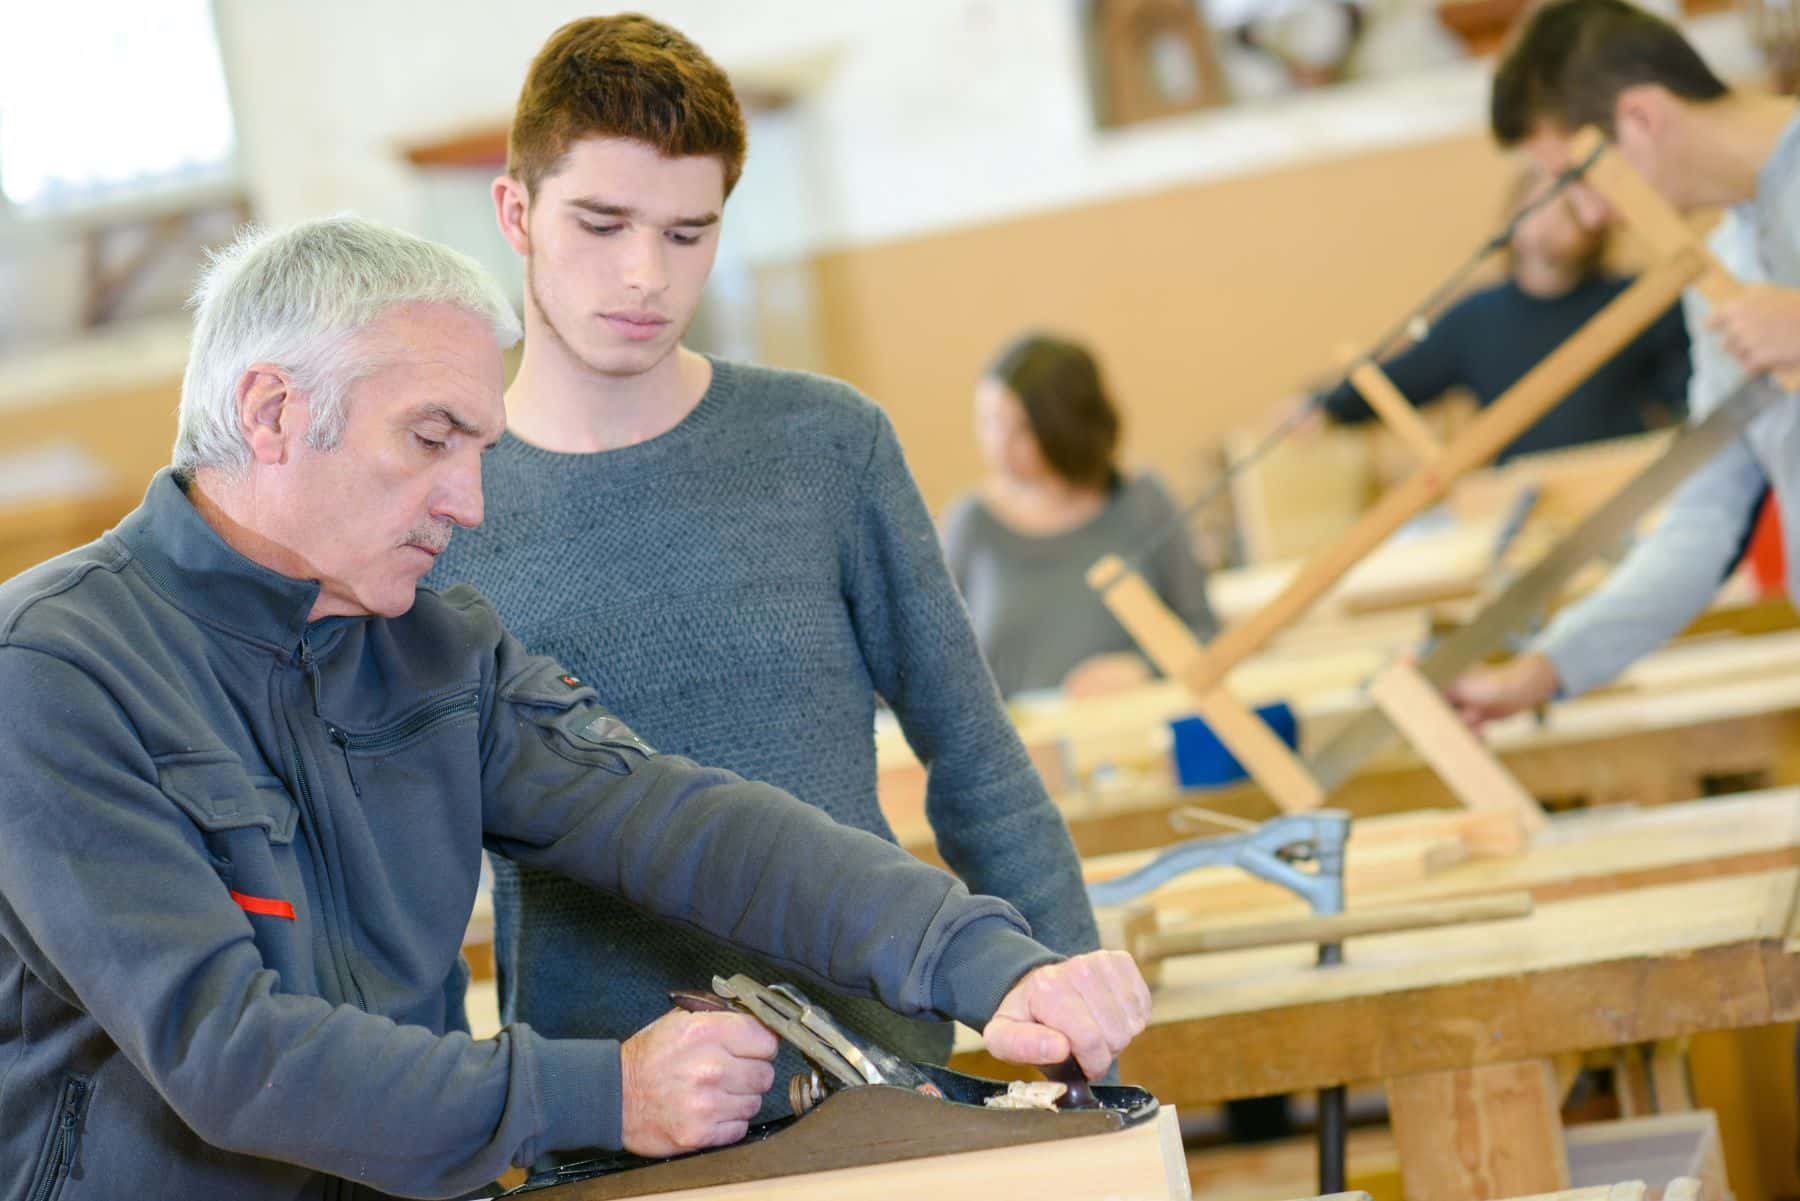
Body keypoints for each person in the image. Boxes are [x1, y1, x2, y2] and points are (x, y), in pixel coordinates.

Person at [0, 216, 1150, 1201]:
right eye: (433, 438)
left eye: (483, 445)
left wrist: (985, 960)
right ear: (271, 412)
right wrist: (610, 1091)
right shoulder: (52, 672)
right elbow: (229, 1051)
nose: (471, 500)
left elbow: (678, 821)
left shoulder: (435, 649)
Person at [428, 12, 1101, 1109]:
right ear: (516, 212)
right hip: (611, 1113)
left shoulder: (829, 445)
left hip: (878, 1085)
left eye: (688, 233)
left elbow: (974, 757)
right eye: (601, 223)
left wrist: (1073, 1007)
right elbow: (398, 861)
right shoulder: (446, 505)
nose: (645, 274)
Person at [1442, 0, 1800, 725]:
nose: (1594, 216)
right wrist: (1548, 668)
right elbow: (1707, 512)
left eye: (1581, 179)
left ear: (1639, 117)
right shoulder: (1723, 273)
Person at [1317, 163, 1690, 462]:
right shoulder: (1476, 317)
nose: (1553, 220)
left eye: (1571, 209)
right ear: (1513, 216)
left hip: (1623, 481)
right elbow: (1403, 380)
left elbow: (1689, 386)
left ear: (1597, 221)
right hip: (1519, 497)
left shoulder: (1639, 301)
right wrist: (1323, 407)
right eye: (1540, 204)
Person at [940, 331, 1219, 699]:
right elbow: (929, 668)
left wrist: (1143, 670)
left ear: (1064, 423)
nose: (1000, 446)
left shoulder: (1144, 502)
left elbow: (1204, 632)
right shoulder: (971, 525)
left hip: (1137, 738)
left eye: (1022, 429)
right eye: (989, 423)